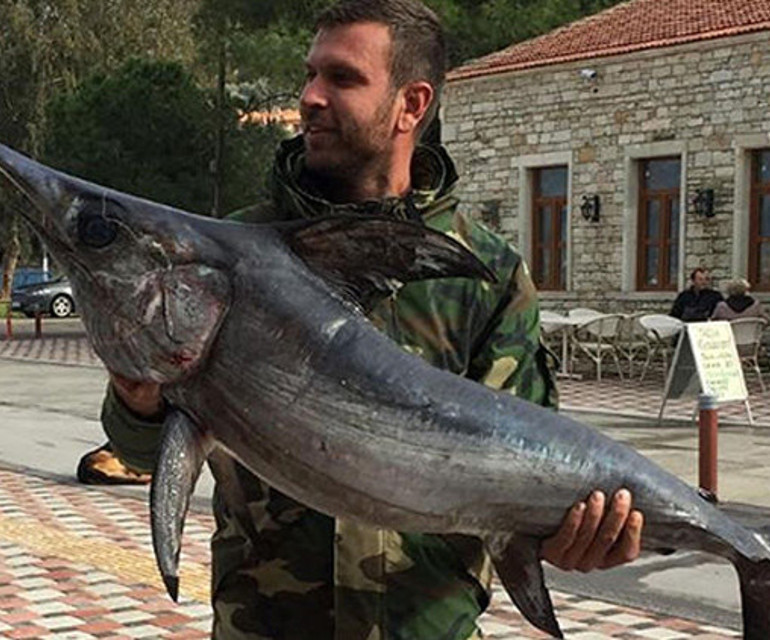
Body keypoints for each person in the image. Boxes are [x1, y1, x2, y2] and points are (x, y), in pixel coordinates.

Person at [84, 1, 644, 637]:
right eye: (309, 74)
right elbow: (141, 451)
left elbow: (527, 474)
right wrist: (136, 403)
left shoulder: (485, 274)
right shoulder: (227, 256)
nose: (310, 98)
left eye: (343, 78)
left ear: (412, 104)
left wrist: (577, 534)